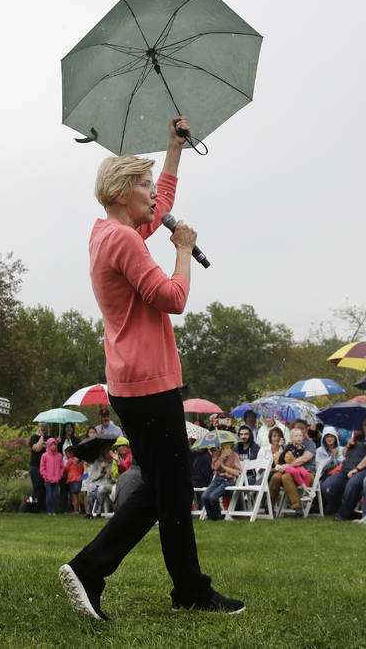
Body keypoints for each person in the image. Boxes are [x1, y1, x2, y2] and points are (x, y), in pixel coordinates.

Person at [59, 117, 244, 621]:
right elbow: (172, 297)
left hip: (135, 380)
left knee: (169, 484)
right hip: (146, 382)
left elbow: (160, 199)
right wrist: (182, 250)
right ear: (120, 192)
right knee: (168, 485)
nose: (150, 194)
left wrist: (172, 150)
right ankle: (90, 569)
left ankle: (189, 588)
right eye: (140, 183)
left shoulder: (110, 232)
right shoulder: (124, 241)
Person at [269, 427, 315, 514]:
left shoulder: (309, 444)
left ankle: (297, 507)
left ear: (306, 430)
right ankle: (269, 506)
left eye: (302, 429)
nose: (299, 436)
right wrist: (281, 446)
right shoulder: (289, 445)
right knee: (276, 477)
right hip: (290, 470)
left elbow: (304, 459)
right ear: (292, 436)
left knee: (286, 477)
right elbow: (282, 458)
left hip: (306, 472)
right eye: (296, 434)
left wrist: (288, 466)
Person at [201, 441, 241, 520]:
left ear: (231, 444)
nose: (226, 446)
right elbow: (215, 468)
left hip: (228, 479)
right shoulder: (216, 454)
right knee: (204, 496)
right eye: (224, 444)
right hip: (217, 479)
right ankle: (211, 517)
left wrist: (224, 467)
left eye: (228, 444)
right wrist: (222, 456)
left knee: (213, 496)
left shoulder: (234, 455)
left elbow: (237, 472)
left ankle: (217, 517)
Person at [40, 438, 64, 516]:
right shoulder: (45, 455)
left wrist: (60, 475)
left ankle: (54, 510)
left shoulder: (59, 455)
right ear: (48, 446)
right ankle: (48, 510)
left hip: (56, 479)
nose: (53, 446)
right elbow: (42, 468)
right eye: (51, 445)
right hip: (48, 479)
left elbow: (61, 467)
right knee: (49, 495)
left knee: (55, 495)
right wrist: (45, 476)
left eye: (54, 444)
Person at [29, 423, 48, 512]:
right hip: (35, 466)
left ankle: (43, 508)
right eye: (41, 426)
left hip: (47, 467)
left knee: (44, 488)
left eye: (45, 426)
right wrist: (41, 437)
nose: (43, 428)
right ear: (38, 428)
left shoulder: (49, 438)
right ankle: (33, 508)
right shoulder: (34, 438)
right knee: (36, 487)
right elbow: (37, 448)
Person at [64, 446, 84, 514]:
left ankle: (76, 510)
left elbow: (66, 469)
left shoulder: (70, 460)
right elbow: (82, 470)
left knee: (74, 495)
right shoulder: (80, 461)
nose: (66, 456)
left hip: (73, 479)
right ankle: (78, 509)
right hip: (79, 479)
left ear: (72, 453)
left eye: (67, 454)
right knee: (76, 495)